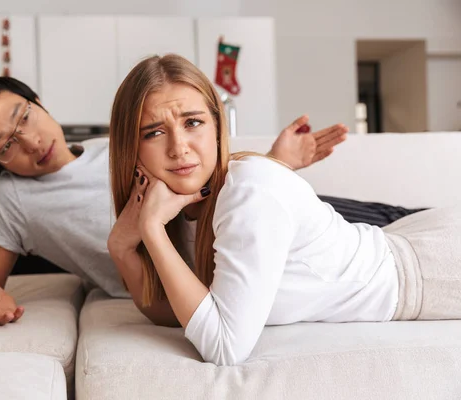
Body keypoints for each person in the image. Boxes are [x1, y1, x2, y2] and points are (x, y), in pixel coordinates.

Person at [107, 54, 461, 366]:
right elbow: (172, 313)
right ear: (132, 150)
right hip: (408, 240)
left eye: (193, 122)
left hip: (434, 266)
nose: (178, 147)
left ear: (218, 128)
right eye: (153, 132)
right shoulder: (181, 206)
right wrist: (122, 248)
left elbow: (225, 347)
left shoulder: (249, 191)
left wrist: (151, 230)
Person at [0, 75, 347, 328]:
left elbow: (207, 189)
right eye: (6, 145)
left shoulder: (118, 146)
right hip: (204, 277)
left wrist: (277, 165)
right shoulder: (8, 199)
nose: (31, 141)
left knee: (393, 226)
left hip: (269, 231)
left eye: (24, 117)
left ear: (39, 103)